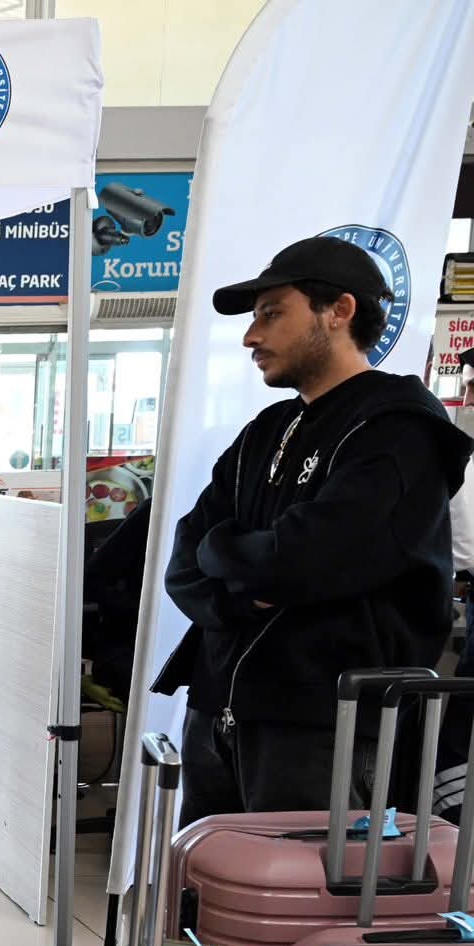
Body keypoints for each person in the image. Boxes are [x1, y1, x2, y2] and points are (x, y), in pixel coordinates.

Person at [158, 236, 471, 825]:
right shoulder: (267, 429)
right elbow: (183, 561)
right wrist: (243, 584)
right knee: (204, 878)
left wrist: (226, 553)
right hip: (219, 708)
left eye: (272, 314)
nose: (252, 336)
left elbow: (307, 559)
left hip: (323, 722)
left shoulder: (399, 430)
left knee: (304, 885)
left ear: (339, 311)